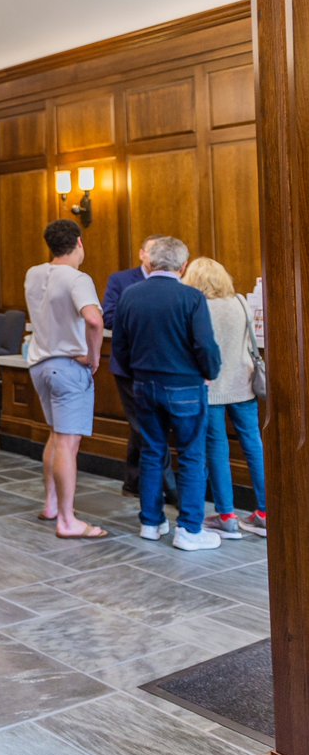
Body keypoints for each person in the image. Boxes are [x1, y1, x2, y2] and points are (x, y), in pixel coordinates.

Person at [113, 236, 223, 551]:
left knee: (151, 452)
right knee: (191, 455)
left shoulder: (130, 295)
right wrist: (210, 372)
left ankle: (151, 522)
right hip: (185, 386)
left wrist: (139, 374)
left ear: (151, 261)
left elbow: (120, 345)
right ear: (183, 265)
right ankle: (189, 529)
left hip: (144, 385)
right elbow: (205, 344)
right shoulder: (191, 297)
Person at [23, 220, 109, 539]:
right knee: (68, 444)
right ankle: (68, 520)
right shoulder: (77, 278)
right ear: (79, 243)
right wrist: (93, 356)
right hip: (68, 365)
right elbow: (94, 320)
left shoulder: (33, 273)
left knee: (56, 436)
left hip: (39, 364)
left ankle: (51, 505)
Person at [182, 256, 267, 538]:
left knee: (217, 450)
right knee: (253, 444)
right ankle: (266, 512)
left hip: (212, 387)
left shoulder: (197, 307)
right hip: (243, 382)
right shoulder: (241, 302)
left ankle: (227, 515)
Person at [102, 237, 178, 502]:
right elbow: (108, 317)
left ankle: (133, 482)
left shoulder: (176, 282)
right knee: (147, 427)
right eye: (151, 249)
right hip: (129, 366)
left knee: (143, 427)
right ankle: (169, 488)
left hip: (163, 365)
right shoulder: (122, 281)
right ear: (142, 254)